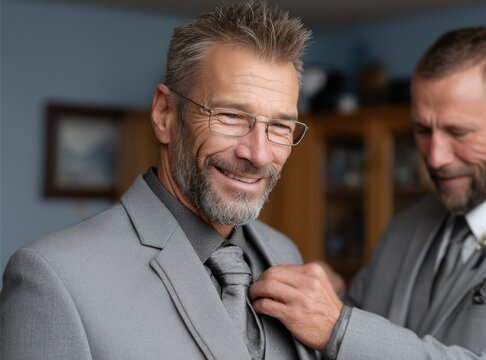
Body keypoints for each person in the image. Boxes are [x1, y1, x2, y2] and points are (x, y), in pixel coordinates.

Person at [249, 27, 486, 359]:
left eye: (459, 133)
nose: (435, 158)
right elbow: (358, 322)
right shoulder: (408, 224)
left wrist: (342, 328)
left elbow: (350, 334)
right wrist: (332, 296)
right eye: (422, 131)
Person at [0, 2, 315, 359]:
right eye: (229, 116)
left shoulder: (284, 255)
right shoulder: (54, 277)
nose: (258, 155)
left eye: (280, 126)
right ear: (164, 114)